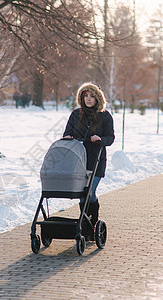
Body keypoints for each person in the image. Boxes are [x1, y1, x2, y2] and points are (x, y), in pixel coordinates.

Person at [63, 82, 115, 225]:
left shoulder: (105, 116)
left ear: (98, 98)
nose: (89, 99)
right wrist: (68, 138)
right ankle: (84, 224)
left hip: (96, 160)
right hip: (78, 160)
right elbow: (67, 133)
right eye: (86, 96)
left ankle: (93, 221)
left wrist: (100, 139)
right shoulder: (75, 115)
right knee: (82, 194)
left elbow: (110, 138)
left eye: (92, 96)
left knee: (89, 191)